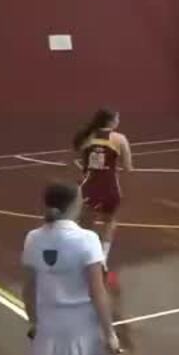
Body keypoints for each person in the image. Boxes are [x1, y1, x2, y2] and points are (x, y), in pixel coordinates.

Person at [21, 182, 124, 355]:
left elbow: (28, 289)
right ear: (74, 204)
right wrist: (109, 333)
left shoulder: (33, 239)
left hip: (52, 328)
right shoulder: (87, 239)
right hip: (87, 325)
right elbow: (97, 292)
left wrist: (34, 323)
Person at [73, 108, 131, 286]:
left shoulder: (88, 138)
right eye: (118, 118)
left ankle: (82, 258)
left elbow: (83, 163)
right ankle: (103, 258)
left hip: (90, 187)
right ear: (112, 121)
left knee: (84, 226)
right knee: (109, 222)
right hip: (110, 188)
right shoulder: (119, 139)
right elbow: (128, 167)